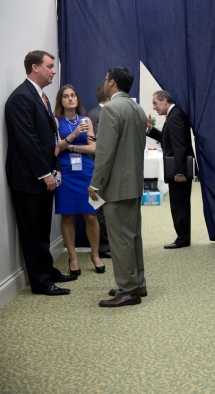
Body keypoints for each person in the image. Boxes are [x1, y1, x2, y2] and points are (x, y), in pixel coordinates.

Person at [4, 50, 77, 296]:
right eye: (49, 66)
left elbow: (50, 141)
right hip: (29, 180)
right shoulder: (20, 99)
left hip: (45, 177)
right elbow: (28, 142)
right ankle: (41, 282)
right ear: (35, 68)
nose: (53, 71)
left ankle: (47, 270)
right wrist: (44, 173)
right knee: (32, 232)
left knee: (42, 230)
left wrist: (54, 171)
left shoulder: (41, 97)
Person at [89, 66, 147, 307]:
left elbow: (104, 153)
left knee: (120, 238)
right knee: (132, 236)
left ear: (112, 83)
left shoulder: (111, 109)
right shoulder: (137, 108)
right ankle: (137, 284)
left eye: (105, 80)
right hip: (133, 182)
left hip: (116, 186)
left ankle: (128, 290)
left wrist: (95, 183)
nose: (103, 83)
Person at [53, 84, 106, 276]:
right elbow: (56, 147)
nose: (70, 99)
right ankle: (73, 258)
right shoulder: (56, 121)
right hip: (64, 173)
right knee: (67, 216)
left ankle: (95, 255)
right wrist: (74, 136)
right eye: (66, 96)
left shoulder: (86, 120)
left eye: (73, 95)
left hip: (86, 172)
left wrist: (72, 147)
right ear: (61, 100)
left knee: (91, 215)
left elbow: (93, 148)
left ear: (77, 99)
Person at [146, 90, 195, 249]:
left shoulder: (174, 118)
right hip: (177, 170)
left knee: (179, 205)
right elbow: (167, 140)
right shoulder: (174, 115)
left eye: (155, 103)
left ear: (165, 101)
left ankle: (182, 239)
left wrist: (180, 172)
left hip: (178, 172)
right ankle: (183, 237)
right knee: (180, 204)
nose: (154, 107)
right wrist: (151, 129)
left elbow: (179, 147)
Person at [86, 84, 111, 259]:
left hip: (99, 167)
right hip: (99, 167)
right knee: (101, 209)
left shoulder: (93, 113)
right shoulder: (102, 115)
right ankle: (103, 247)